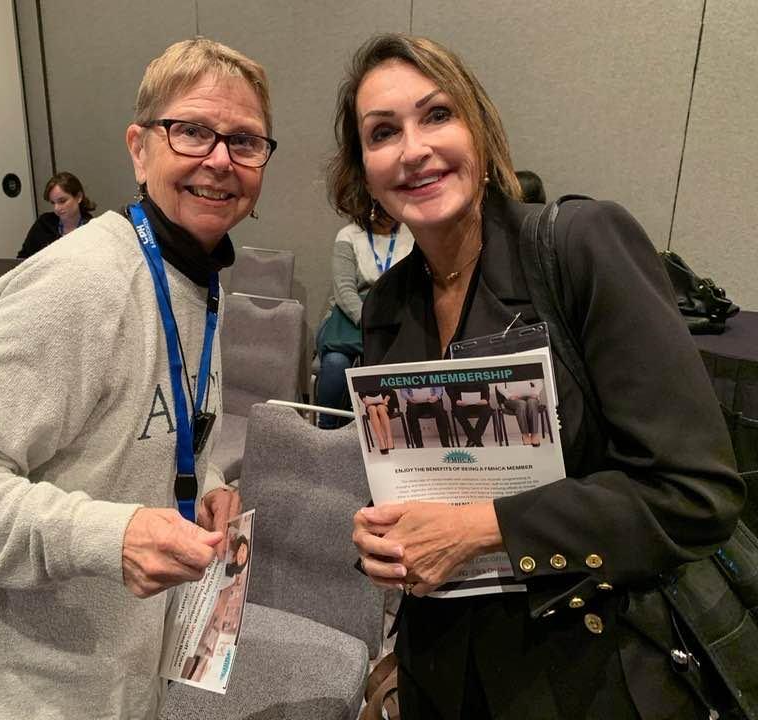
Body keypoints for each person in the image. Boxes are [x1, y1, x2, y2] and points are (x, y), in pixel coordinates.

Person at [337, 34, 743, 719]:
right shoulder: (386, 305)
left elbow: (695, 495)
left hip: (586, 670)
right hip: (441, 671)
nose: (413, 149)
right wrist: (384, 538)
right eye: (383, 132)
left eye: (437, 115)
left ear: (480, 128)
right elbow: (415, 484)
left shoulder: (580, 245)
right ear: (364, 171)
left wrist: (482, 528)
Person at [0, 38, 275, 719]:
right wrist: (107, 537)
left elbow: (145, 430)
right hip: (14, 693)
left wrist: (206, 484)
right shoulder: (80, 282)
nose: (220, 159)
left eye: (244, 141)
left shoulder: (199, 279)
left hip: (111, 673)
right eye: (191, 131)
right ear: (139, 149)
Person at [315, 216, 414, 428]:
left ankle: (385, 431)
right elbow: (344, 291)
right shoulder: (348, 235)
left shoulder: (413, 234)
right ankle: (326, 429)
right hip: (349, 320)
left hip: (395, 320)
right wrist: (370, 321)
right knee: (335, 362)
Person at [17, 171, 96, 258]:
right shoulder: (43, 224)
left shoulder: (92, 228)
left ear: (79, 197)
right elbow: (22, 259)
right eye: (53, 203)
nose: (56, 208)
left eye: (62, 201)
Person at [495, 379, 542, 445]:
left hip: (529, 397)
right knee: (521, 404)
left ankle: (534, 434)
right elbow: (499, 386)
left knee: (532, 402)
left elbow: (539, 382)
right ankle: (525, 435)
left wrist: (536, 393)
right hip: (512, 399)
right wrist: (509, 396)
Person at [447, 382, 492, 447]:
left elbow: (485, 388)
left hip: (479, 403)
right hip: (461, 403)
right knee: (458, 411)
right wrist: (456, 401)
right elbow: (448, 387)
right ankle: (476, 439)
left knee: (487, 410)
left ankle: (473, 439)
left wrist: (485, 399)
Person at [360, 389, 395, 453]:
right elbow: (361, 393)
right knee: (372, 409)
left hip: (384, 403)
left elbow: (390, 390)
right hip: (370, 405)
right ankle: (381, 441)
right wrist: (365, 401)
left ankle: (389, 439)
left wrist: (385, 400)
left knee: (380, 408)